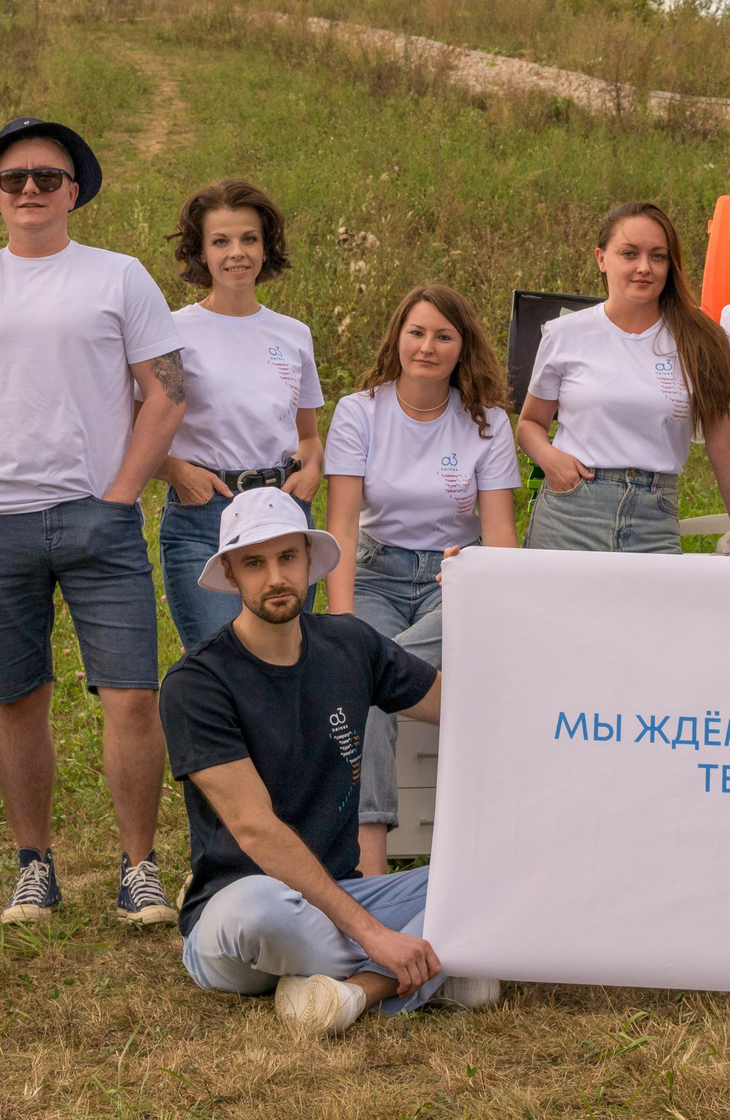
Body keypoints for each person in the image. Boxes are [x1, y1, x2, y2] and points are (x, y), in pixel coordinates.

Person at [0, 117, 188, 929]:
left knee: (132, 695)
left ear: (76, 190)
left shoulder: (119, 276)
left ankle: (139, 868)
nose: (31, 188)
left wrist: (122, 494)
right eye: (15, 177)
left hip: (101, 519)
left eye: (48, 177)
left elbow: (166, 391)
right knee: (16, 699)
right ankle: (35, 866)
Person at [161, 486, 500, 1037]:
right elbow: (256, 829)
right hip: (244, 911)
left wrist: (478, 595)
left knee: (490, 879)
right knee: (262, 910)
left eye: (287, 557)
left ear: (310, 561)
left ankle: (359, 993)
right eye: (254, 563)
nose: (275, 576)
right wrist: (373, 933)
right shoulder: (196, 683)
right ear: (231, 573)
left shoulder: (349, 643)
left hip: (339, 897)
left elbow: (468, 709)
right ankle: (433, 964)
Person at [322, 284, 520, 874]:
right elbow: (341, 528)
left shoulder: (486, 424)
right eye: (416, 332)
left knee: (373, 676)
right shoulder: (360, 411)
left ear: (464, 348)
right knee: (363, 670)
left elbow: (502, 535)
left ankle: (484, 841)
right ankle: (371, 864)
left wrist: (487, 587)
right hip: (375, 575)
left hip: (457, 578)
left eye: (443, 336)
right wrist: (340, 622)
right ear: (397, 337)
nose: (427, 347)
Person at [517, 202, 730, 556]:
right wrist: (551, 460)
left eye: (658, 256)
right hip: (570, 511)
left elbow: (726, 447)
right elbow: (529, 425)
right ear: (601, 258)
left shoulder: (702, 341)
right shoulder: (564, 334)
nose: (644, 268)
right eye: (629, 254)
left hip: (653, 517)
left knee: (655, 614)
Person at [156, 179, 325, 651]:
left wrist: (313, 468)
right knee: (221, 666)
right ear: (200, 252)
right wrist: (175, 472)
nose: (237, 253)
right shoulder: (171, 332)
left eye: (249, 239)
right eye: (221, 241)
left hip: (282, 513)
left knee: (284, 658)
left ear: (266, 247)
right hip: (203, 515)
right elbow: (135, 432)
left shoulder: (293, 334)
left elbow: (307, 435)